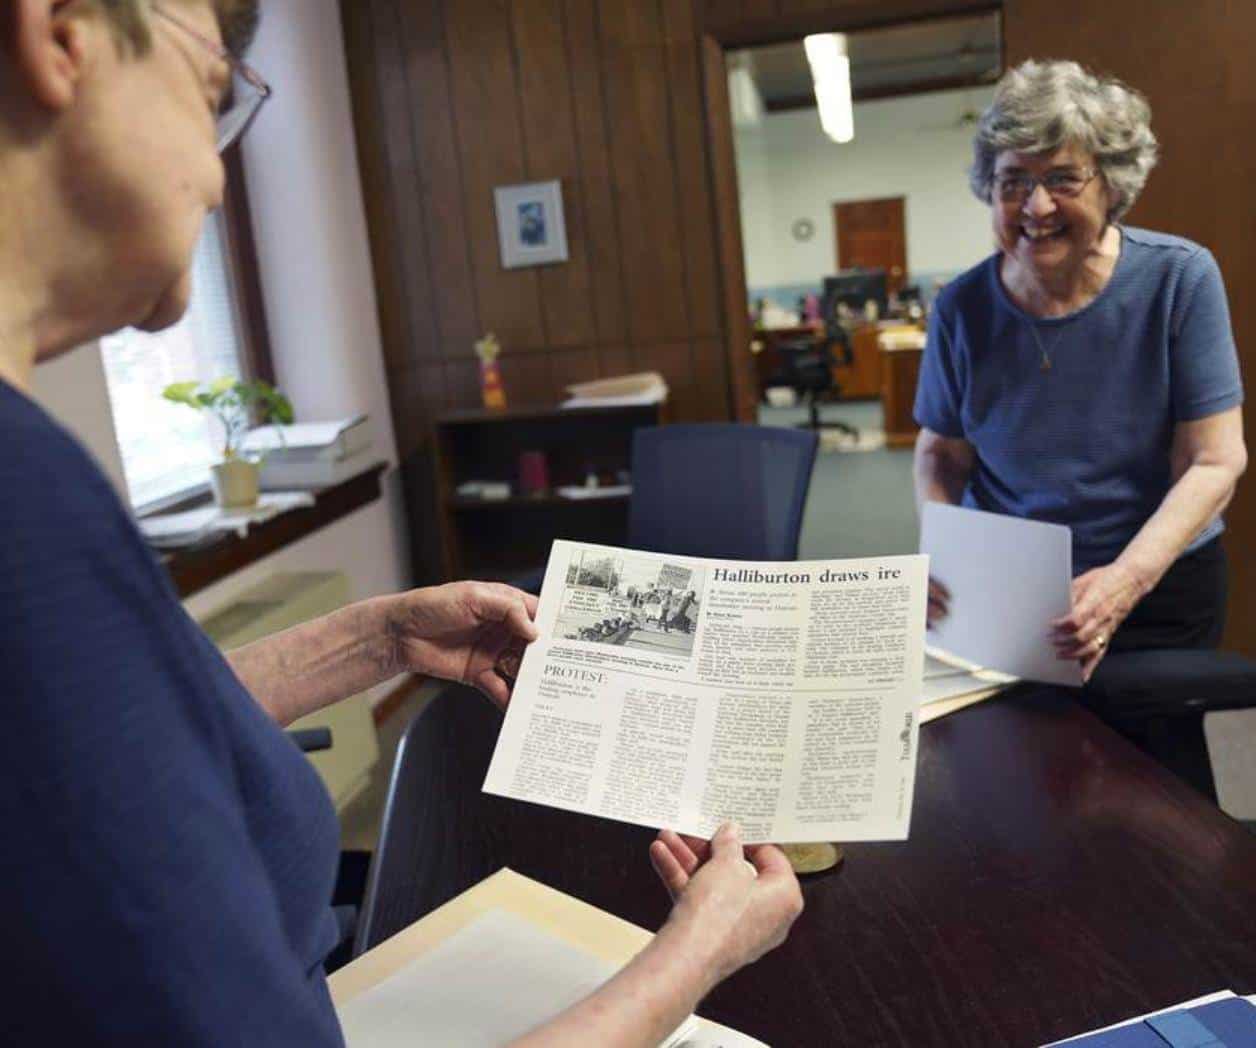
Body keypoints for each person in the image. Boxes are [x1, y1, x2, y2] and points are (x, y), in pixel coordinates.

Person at [0, 2, 802, 1043]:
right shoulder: (29, 509)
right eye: (210, 94)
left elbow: (119, 745)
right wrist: (698, 953)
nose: (214, 172)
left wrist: (375, 638)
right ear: (59, 33)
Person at [914, 59, 1246, 685]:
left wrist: (1123, 583)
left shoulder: (1179, 279)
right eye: (1012, 181)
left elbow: (1214, 461)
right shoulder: (961, 308)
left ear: (1112, 185)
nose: (1036, 206)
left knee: (1156, 771)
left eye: (1063, 178)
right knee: (1017, 768)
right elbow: (941, 456)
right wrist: (936, 551)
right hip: (1011, 593)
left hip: (1155, 588)